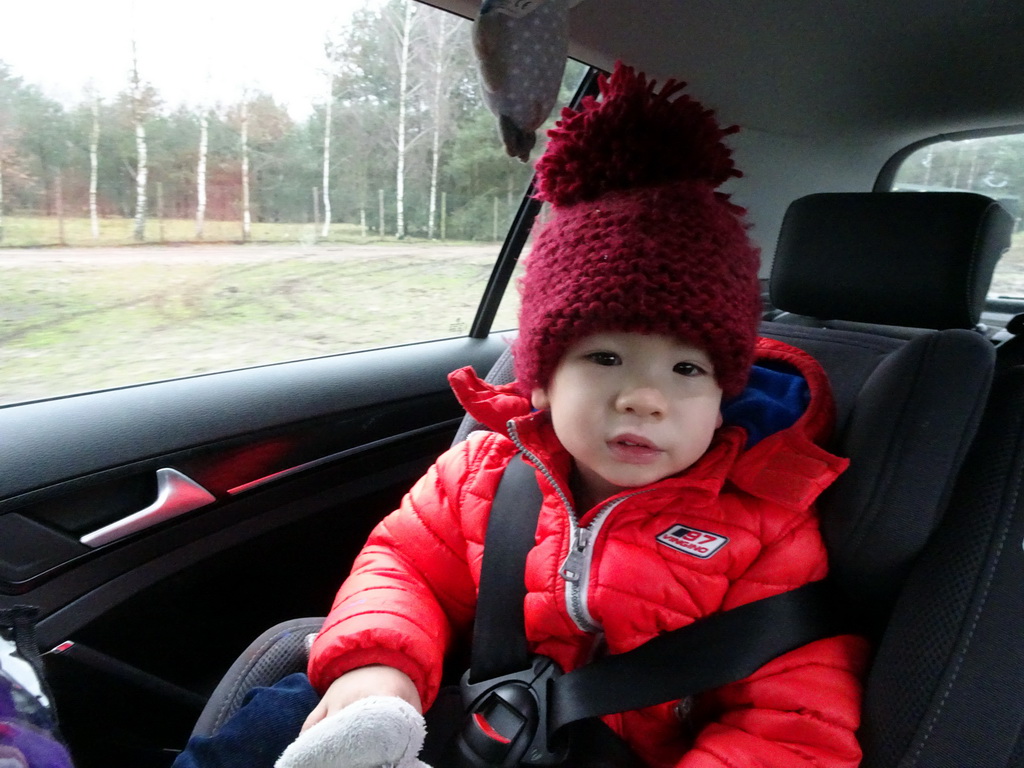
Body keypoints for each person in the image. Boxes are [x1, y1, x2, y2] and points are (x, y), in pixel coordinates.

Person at [173, 62, 867, 768]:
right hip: (454, 720)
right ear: (539, 382)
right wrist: (378, 667)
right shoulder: (482, 473)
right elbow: (401, 566)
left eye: (688, 370)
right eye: (605, 359)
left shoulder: (764, 526)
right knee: (283, 711)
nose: (645, 397)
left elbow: (792, 723)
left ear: (723, 397)